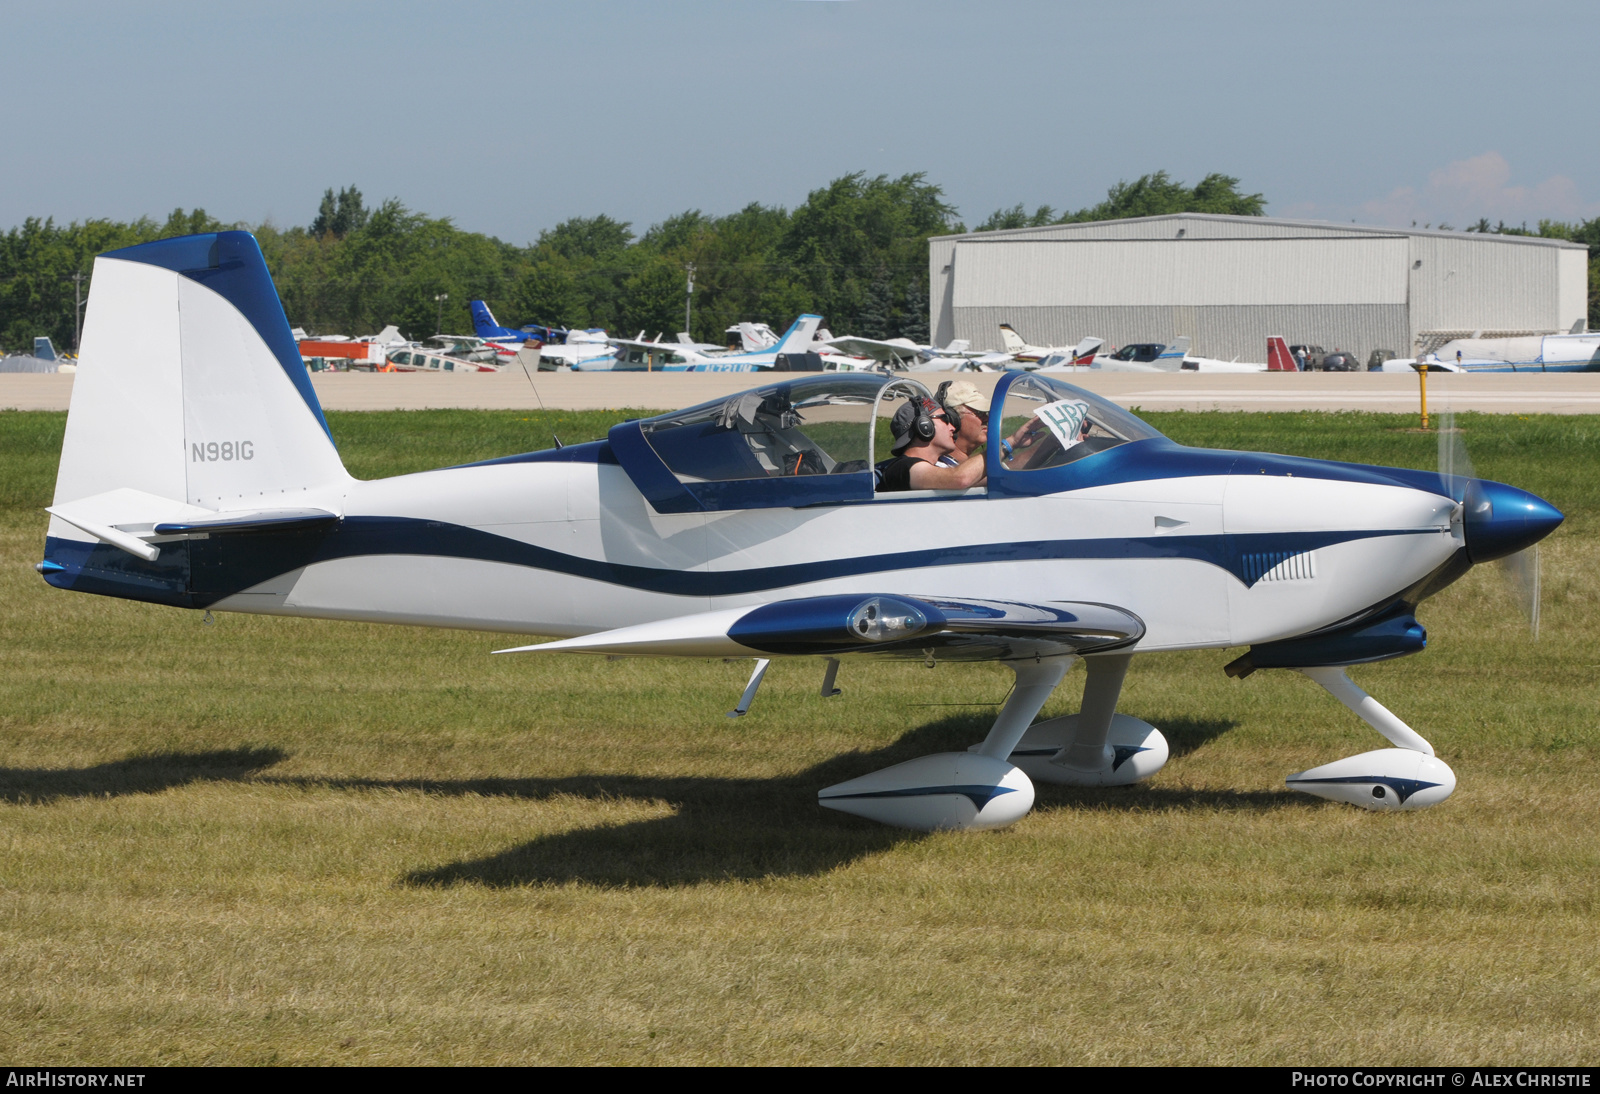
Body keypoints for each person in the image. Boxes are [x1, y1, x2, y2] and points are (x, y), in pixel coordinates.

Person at [874, 396, 986, 491]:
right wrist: (1002, 448)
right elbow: (961, 479)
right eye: (945, 420)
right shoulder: (902, 468)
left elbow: (986, 477)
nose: (952, 428)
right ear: (924, 426)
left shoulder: (939, 466)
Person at [935, 380, 990, 464]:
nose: (987, 418)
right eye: (979, 413)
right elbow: (962, 477)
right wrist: (1011, 443)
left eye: (986, 413)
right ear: (952, 419)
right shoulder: (939, 470)